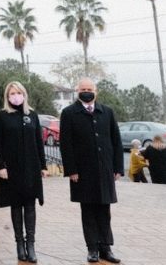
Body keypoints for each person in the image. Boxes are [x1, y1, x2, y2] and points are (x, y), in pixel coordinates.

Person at [59, 77, 123, 264]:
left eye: (89, 88)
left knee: (104, 209)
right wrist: (71, 170)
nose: (86, 91)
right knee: (88, 210)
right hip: (82, 172)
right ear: (77, 91)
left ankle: (106, 247)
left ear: (96, 91)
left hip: (105, 170)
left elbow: (116, 141)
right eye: (83, 88)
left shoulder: (107, 112)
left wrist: (118, 167)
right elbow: (66, 144)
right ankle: (92, 248)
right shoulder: (69, 113)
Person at [0, 81, 48, 263]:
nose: (15, 96)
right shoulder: (2, 116)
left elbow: (39, 142)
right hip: (12, 169)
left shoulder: (32, 115)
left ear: (24, 95)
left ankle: (30, 244)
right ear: (7, 97)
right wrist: (1, 166)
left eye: (18, 92)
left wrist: (43, 166)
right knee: (16, 205)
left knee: (30, 206)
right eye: (12, 93)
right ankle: (19, 243)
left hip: (31, 168)